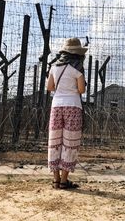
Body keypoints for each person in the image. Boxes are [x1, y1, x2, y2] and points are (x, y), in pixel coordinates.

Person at [46, 37, 87, 189]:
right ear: (78, 54)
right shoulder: (78, 68)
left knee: (55, 141)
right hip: (73, 107)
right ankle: (64, 181)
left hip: (56, 106)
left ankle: (55, 179)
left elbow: (50, 87)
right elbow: (82, 90)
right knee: (70, 142)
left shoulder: (54, 67)